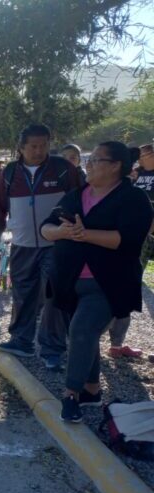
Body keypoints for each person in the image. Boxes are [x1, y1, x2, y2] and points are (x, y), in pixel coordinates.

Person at [40, 141, 152, 423]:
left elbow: (127, 240)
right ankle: (91, 390)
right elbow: (46, 227)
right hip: (67, 280)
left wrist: (84, 234)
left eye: (95, 160)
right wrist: (61, 232)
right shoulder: (77, 194)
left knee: (81, 330)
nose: (88, 165)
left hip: (106, 283)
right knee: (84, 336)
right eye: (89, 160)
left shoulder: (133, 199)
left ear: (115, 166)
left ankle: (70, 395)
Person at [0, 124, 83, 368]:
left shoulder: (63, 169)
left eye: (44, 145)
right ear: (21, 147)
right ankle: (22, 341)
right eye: (33, 146)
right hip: (22, 244)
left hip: (57, 244)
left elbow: (82, 201)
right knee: (22, 293)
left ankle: (52, 349)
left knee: (54, 296)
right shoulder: (9, 173)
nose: (39, 150)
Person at [103, 143, 154, 359]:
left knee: (128, 285)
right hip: (131, 235)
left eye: (142, 154)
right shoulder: (134, 175)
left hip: (146, 235)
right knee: (122, 284)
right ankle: (112, 342)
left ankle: (116, 342)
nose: (139, 158)